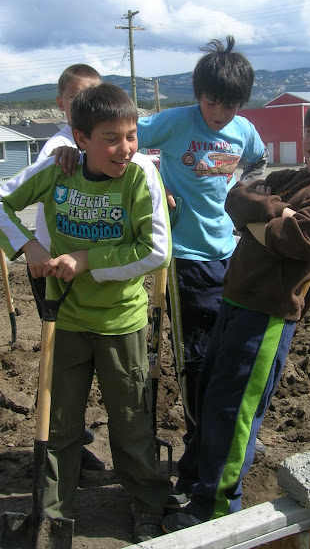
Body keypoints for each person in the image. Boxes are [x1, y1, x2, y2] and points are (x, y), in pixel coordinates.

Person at [161, 94, 310, 532]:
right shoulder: (294, 177)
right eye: (309, 130)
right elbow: (234, 199)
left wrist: (269, 219)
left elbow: (299, 239)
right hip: (235, 299)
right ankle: (196, 480)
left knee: (235, 411)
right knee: (214, 397)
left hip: (267, 314)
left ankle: (215, 508)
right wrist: (276, 212)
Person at [0, 83, 172, 543]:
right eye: (112, 138)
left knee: (132, 422)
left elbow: (155, 252)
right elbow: (1, 201)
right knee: (57, 424)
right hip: (65, 319)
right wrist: (29, 244)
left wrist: (86, 259)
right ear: (80, 139)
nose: (126, 148)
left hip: (122, 321)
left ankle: (147, 504)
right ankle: (52, 512)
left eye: (131, 135)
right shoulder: (58, 170)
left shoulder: (141, 176)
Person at [136, 36, 268, 465]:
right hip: (186, 257)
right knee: (195, 352)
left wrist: (242, 197)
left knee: (228, 346)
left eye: (229, 106)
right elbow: (123, 142)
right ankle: (199, 435)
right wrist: (158, 189)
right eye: (212, 103)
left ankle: (219, 428)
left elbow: (259, 161)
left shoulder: (243, 132)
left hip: (229, 252)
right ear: (198, 96)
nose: (219, 114)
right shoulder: (174, 123)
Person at [29, 63, 105, 474]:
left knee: (82, 358)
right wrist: (28, 246)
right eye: (76, 98)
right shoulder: (56, 147)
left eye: (93, 94)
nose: (85, 104)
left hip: (93, 269)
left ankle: (72, 439)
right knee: (62, 361)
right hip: (54, 270)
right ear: (62, 104)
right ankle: (57, 443)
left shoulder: (102, 140)